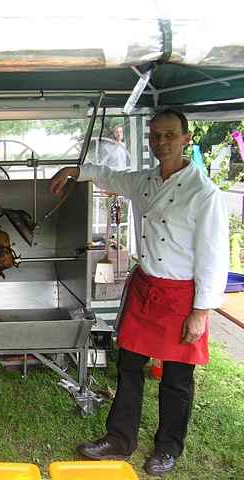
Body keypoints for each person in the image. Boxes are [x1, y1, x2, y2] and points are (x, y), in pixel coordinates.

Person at [49, 109, 229, 477]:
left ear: (186, 139)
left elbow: (215, 256)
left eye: (169, 135)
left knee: (177, 379)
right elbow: (110, 175)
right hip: (146, 286)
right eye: (156, 135)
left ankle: (168, 448)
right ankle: (120, 439)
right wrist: (74, 170)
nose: (161, 142)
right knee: (128, 366)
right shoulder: (145, 180)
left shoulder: (204, 193)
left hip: (182, 295)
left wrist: (202, 311)